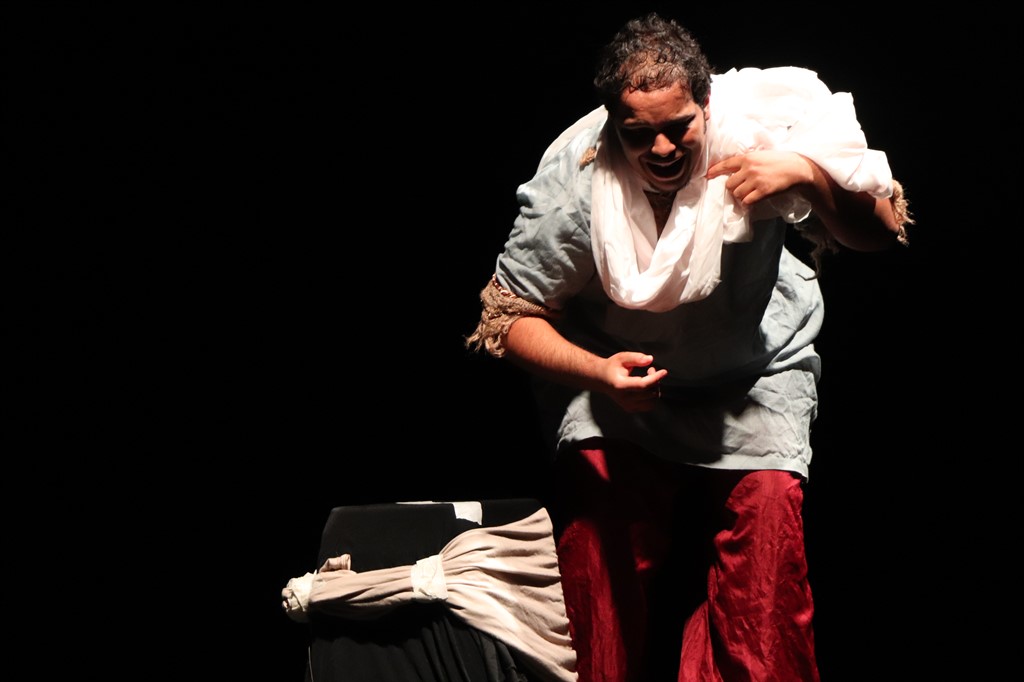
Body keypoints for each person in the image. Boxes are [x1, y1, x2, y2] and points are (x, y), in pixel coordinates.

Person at [466, 12, 912, 682]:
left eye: (679, 127)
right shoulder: (576, 179)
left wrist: (805, 175)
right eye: (638, 133)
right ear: (612, 123)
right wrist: (598, 373)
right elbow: (508, 317)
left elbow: (881, 229)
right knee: (599, 570)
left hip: (755, 371)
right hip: (621, 378)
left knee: (765, 590)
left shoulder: (765, 130)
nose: (663, 149)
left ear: (706, 102)